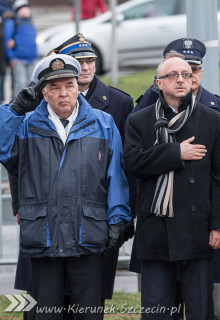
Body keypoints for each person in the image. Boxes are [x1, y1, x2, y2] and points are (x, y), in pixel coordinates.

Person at [0, 54, 131, 319]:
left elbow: (115, 175)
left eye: (69, 85)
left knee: (88, 313)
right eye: (54, 88)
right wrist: (13, 111)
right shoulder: (26, 125)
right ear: (43, 93)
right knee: (45, 313)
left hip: (87, 234)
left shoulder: (103, 123)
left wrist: (119, 217)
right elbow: (3, 150)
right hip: (44, 236)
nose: (63, 94)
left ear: (77, 87)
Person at [130, 37, 220, 319]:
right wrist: (175, 153)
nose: (181, 80)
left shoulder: (210, 118)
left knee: (199, 310)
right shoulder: (140, 120)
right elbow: (133, 163)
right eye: (173, 75)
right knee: (157, 311)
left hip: (198, 232)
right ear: (159, 82)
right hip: (156, 230)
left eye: (187, 74)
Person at [4, 0, 37, 96]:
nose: (26, 11)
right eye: (23, 9)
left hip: (31, 59)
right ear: (17, 11)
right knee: (20, 84)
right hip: (19, 59)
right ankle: (16, 106)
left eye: (27, 8)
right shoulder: (13, 23)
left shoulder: (30, 23)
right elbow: (7, 42)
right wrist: (12, 58)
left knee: (30, 85)